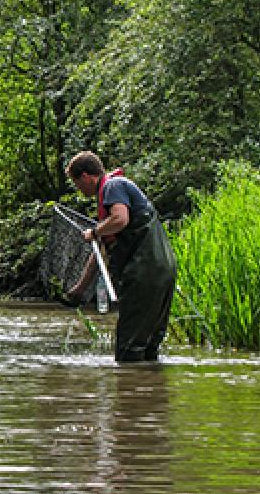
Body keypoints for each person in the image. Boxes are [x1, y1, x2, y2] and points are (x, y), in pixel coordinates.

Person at [65, 151, 177, 362]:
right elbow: (101, 253)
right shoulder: (114, 193)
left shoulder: (113, 186)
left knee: (128, 350)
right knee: (148, 347)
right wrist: (80, 288)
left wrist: (96, 231)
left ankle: (129, 390)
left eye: (76, 182)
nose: (78, 189)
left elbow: (120, 219)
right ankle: (150, 390)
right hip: (163, 272)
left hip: (144, 273)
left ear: (87, 176)